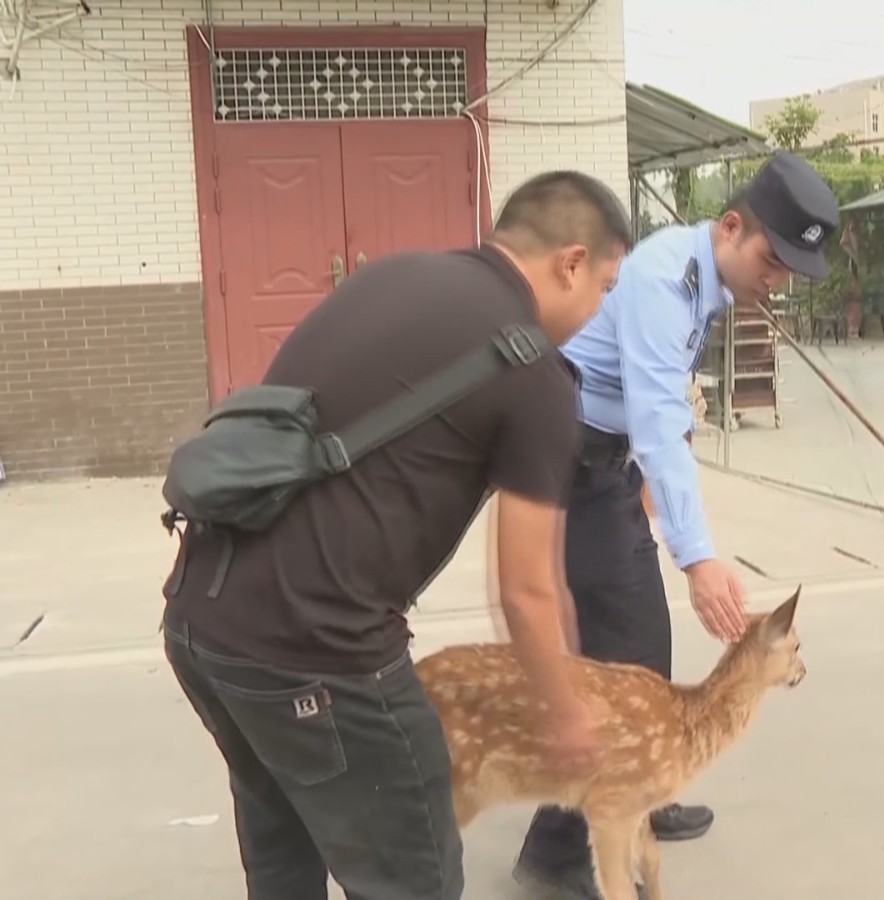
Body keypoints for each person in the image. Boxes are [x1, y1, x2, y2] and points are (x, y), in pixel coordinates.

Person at [159, 171, 633, 900]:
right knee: (416, 879)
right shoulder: (535, 375)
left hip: (203, 619)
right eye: (605, 286)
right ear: (571, 263)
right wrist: (565, 711)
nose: (600, 308)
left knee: (283, 858)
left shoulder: (393, 276)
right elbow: (527, 587)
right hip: (317, 652)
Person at [513, 151, 841, 898]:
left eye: (789, 270)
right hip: (569, 467)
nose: (776, 280)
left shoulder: (704, 282)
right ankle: (557, 851)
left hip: (608, 465)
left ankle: (646, 794)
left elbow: (662, 406)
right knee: (616, 660)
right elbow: (658, 416)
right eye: (771, 259)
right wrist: (697, 557)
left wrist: (655, 485)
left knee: (644, 645)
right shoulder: (667, 281)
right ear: (730, 228)